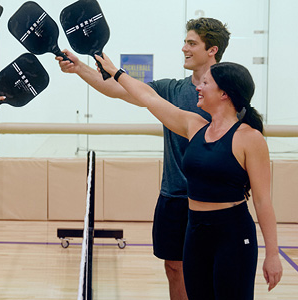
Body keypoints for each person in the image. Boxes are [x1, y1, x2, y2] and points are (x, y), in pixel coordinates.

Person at [57, 18, 230, 299]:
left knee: (209, 270)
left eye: (191, 43)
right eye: (185, 41)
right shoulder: (171, 89)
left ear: (212, 50)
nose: (184, 48)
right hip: (173, 197)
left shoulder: (228, 93)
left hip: (213, 200)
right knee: (174, 268)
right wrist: (79, 68)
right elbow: (118, 89)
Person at [97, 55, 283, 298]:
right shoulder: (193, 125)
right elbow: (148, 97)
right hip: (194, 233)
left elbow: (262, 201)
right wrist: (115, 72)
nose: (198, 87)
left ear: (224, 93)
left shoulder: (250, 138)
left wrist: (273, 254)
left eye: (206, 84)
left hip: (232, 234)